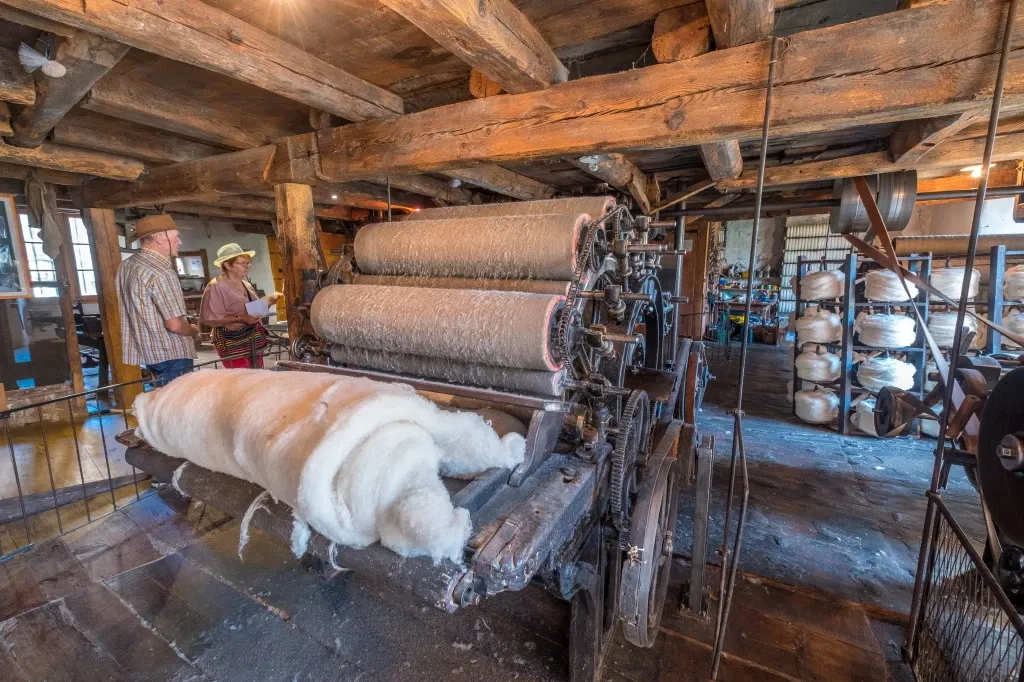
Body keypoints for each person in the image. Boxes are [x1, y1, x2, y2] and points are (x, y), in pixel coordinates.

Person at [116, 214, 199, 387]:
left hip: (149, 352)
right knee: (178, 408)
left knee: (164, 404)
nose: (180, 241)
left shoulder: (127, 265)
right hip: (172, 354)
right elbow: (174, 325)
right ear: (161, 238)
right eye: (176, 236)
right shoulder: (161, 273)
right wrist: (192, 330)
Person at [200, 243, 281, 369]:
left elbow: (250, 309)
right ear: (228, 265)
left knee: (257, 374)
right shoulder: (216, 286)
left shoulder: (245, 284)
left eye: (248, 263)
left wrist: (268, 302)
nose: (247, 266)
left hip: (251, 337)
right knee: (241, 379)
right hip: (231, 340)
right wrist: (240, 318)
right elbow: (209, 318)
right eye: (242, 263)